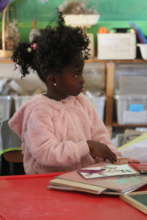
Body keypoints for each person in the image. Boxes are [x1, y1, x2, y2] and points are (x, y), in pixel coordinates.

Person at [9, 12, 121, 174]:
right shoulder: (39, 111)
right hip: (45, 183)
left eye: (81, 73)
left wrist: (114, 155)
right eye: (76, 74)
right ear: (53, 79)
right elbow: (46, 153)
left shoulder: (82, 102)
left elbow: (100, 136)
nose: (82, 80)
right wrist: (87, 146)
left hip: (83, 178)